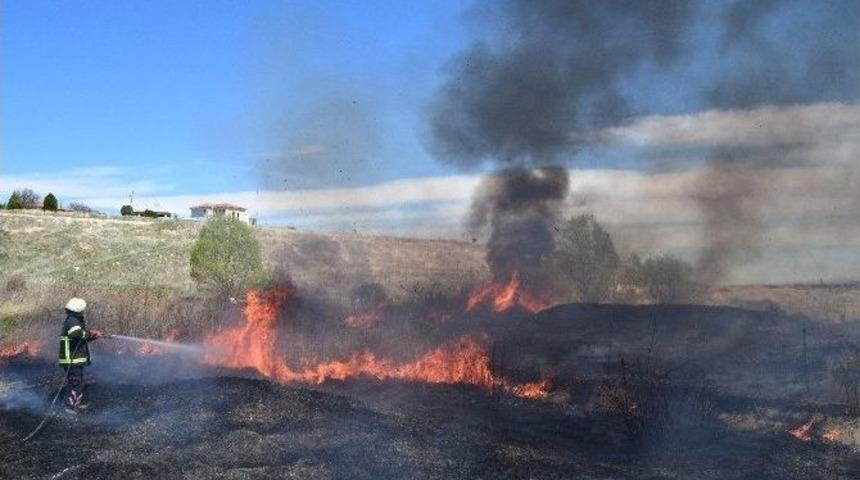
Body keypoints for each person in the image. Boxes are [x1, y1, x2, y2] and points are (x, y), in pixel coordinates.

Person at [58, 298, 103, 412]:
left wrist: (91, 336)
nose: (83, 311)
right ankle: (69, 407)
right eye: (82, 310)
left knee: (78, 382)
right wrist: (89, 333)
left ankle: (78, 403)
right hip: (72, 359)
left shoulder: (74, 320)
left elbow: (79, 339)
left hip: (75, 358)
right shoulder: (73, 321)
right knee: (75, 383)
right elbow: (75, 334)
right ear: (78, 310)